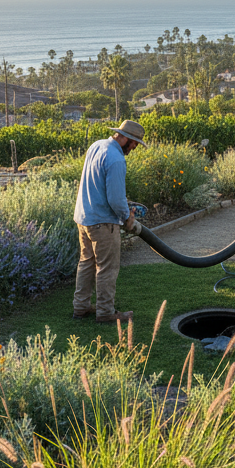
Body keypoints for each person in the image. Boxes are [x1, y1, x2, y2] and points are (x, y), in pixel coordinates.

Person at [73, 119, 146, 323]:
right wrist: (127, 218)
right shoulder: (116, 159)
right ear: (125, 138)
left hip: (84, 217)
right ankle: (105, 312)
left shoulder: (97, 145)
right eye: (134, 143)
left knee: (86, 263)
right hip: (103, 223)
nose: (134, 147)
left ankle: (81, 307)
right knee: (107, 268)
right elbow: (115, 199)